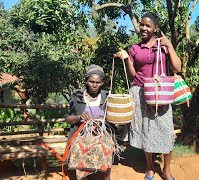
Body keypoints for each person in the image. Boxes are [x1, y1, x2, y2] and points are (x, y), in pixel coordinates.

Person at [115, 12, 181, 180]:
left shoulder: (163, 45)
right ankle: (150, 167)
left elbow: (178, 68)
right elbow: (133, 75)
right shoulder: (135, 48)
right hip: (140, 92)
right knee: (146, 130)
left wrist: (170, 46)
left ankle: (166, 170)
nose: (143, 28)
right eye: (142, 25)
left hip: (160, 94)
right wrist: (128, 59)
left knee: (166, 130)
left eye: (148, 25)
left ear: (155, 28)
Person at [65, 64, 115, 180]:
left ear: (102, 83)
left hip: (102, 134)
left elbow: (113, 119)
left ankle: (104, 176)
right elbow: (68, 119)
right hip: (81, 134)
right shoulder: (77, 96)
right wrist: (79, 117)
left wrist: (102, 123)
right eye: (91, 81)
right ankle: (82, 177)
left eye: (98, 83)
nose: (94, 85)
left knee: (103, 147)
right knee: (78, 147)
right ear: (86, 81)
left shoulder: (107, 97)